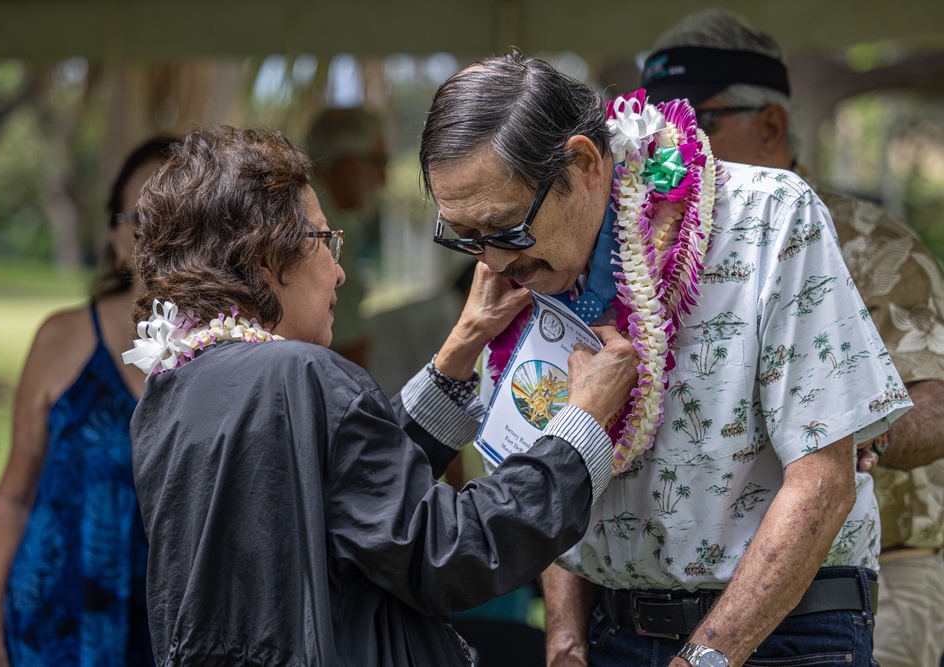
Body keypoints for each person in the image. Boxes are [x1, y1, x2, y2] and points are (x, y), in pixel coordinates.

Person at [419, 53, 912, 667]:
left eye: (505, 229)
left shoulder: (769, 216)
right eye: (465, 238)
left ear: (583, 163)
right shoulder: (516, 278)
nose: (489, 261)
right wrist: (565, 637)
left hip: (786, 630)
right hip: (610, 631)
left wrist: (703, 657)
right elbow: (537, 468)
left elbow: (824, 481)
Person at [124, 125, 641, 666]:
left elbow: (354, 495)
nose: (341, 272)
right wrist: (579, 427)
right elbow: (450, 552)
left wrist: (462, 346)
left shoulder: (173, 388)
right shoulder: (300, 373)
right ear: (267, 256)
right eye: (327, 240)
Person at [640, 11, 944, 667]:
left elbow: (938, 405)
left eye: (696, 123)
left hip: (866, 578)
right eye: (655, 127)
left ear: (771, 124)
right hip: (696, 588)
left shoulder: (875, 244)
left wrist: (857, 430)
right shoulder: (643, 246)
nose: (670, 145)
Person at [0, 138, 176, 666]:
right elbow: (15, 495)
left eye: (175, 215)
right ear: (114, 236)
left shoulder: (225, 352)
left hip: (170, 633)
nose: (154, 234)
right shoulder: (60, 339)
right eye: (140, 217)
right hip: (55, 626)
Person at [303, 107, 388, 368]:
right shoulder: (320, 223)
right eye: (380, 162)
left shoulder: (318, 212)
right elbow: (350, 348)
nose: (383, 179)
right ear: (349, 166)